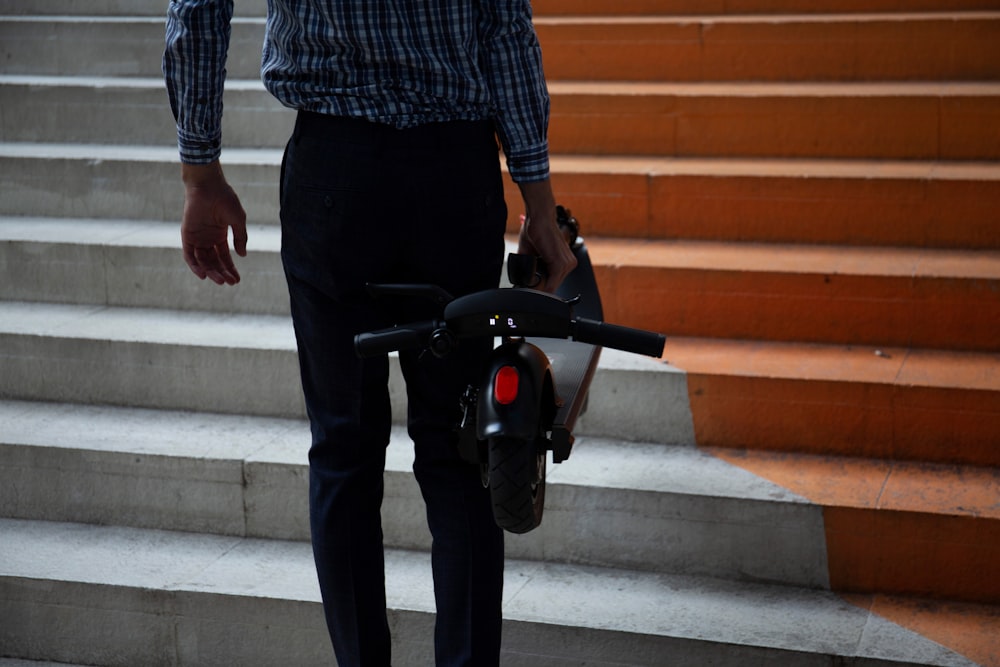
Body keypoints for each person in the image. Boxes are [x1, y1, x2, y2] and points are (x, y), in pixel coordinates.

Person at [164, 1, 576, 665]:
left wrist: (200, 167)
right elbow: (504, 26)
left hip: (335, 174)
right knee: (461, 452)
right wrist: (538, 198)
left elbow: (197, 9)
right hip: (453, 177)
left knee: (344, 448)